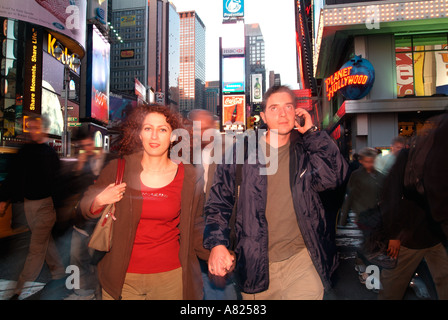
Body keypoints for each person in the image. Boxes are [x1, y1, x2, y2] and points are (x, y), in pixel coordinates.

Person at [204, 85, 348, 300]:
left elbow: (334, 177)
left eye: (288, 107)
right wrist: (217, 244)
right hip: (256, 266)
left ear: (297, 112)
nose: (282, 113)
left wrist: (312, 133)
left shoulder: (307, 149)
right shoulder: (241, 151)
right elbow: (218, 203)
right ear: (263, 115)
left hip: (303, 260)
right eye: (274, 108)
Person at [79, 104, 208, 300]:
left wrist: (216, 251)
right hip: (122, 279)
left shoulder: (189, 176)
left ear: (173, 136)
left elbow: (197, 225)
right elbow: (84, 207)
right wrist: (99, 200)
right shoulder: (117, 169)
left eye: (162, 129)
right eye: (148, 129)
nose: (154, 136)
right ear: (139, 134)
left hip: (171, 278)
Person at [0, 116, 66, 300]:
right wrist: (4, 199)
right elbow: (13, 177)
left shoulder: (50, 154)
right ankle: (59, 272)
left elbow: (58, 185)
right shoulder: (25, 152)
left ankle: (18, 289)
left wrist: (57, 210)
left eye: (36, 127)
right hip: (28, 205)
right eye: (30, 127)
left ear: (43, 129)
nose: (32, 130)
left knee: (36, 248)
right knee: (45, 241)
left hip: (46, 206)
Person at [379, 147, 448, 300]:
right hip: (408, 239)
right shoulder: (408, 156)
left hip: (435, 237)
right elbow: (390, 196)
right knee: (392, 287)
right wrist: (394, 235)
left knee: (445, 281)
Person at [188, 109, 239, 300]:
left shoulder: (231, 148)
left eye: (204, 127)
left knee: (222, 291)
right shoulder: (186, 153)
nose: (199, 132)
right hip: (195, 241)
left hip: (224, 238)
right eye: (195, 128)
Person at [64, 132, 116, 300]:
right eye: (82, 146)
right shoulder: (80, 164)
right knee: (77, 259)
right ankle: (84, 292)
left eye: (88, 145)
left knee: (99, 263)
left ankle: (100, 293)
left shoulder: (112, 160)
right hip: (81, 222)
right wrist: (78, 169)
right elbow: (72, 190)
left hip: (102, 223)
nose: (86, 149)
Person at [341, 148, 390, 280]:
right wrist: (344, 217)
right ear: (362, 161)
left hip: (376, 214)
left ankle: (362, 260)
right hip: (362, 213)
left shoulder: (380, 176)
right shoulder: (356, 176)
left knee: (371, 241)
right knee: (369, 240)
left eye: (372, 161)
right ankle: (369, 273)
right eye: (367, 161)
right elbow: (350, 196)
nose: (370, 164)